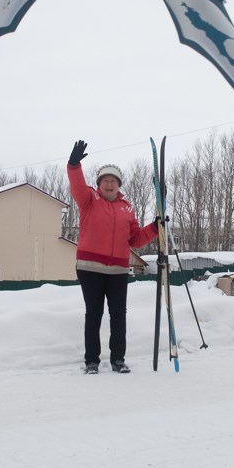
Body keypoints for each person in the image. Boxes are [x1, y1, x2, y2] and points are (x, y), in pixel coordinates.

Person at [67, 140, 159, 374]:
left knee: (119, 315)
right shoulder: (89, 200)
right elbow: (77, 186)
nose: (109, 184)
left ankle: (118, 359)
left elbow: (136, 239)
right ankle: (92, 361)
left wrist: (155, 228)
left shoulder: (127, 208)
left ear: (119, 185)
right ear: (99, 184)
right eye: (105, 180)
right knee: (94, 313)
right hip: (90, 268)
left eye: (113, 181)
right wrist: (74, 165)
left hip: (118, 270)